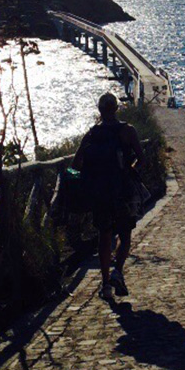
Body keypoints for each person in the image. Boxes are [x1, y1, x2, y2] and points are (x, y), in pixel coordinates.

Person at [73, 92, 144, 300]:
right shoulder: (127, 131)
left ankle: (105, 285)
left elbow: (76, 164)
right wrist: (129, 170)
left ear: (99, 110)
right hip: (123, 191)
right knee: (125, 235)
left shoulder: (92, 134)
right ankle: (118, 271)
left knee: (104, 236)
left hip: (100, 193)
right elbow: (142, 158)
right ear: (116, 108)